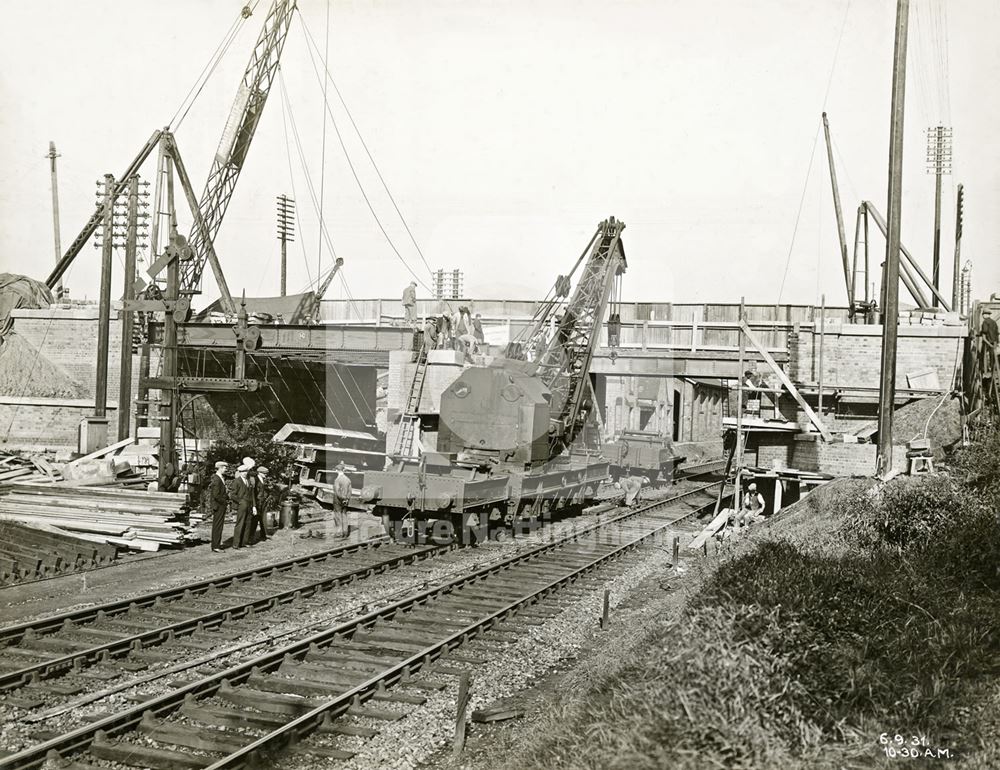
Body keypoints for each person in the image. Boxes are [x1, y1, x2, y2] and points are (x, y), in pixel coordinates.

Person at [230, 460, 255, 549]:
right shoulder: (237, 481)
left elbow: (252, 495)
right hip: (241, 505)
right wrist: (240, 501)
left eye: (246, 471)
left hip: (249, 505)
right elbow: (232, 495)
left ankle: (245, 542)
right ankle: (236, 544)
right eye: (243, 472)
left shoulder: (248, 481)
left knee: (248, 523)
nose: (245, 473)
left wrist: (254, 506)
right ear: (239, 472)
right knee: (240, 523)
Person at [245, 466, 270, 544]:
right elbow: (254, 493)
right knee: (254, 521)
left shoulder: (263, 480)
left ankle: (263, 535)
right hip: (257, 503)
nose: (266, 475)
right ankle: (250, 537)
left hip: (262, 502)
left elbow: (263, 491)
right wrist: (254, 505)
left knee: (263, 520)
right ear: (260, 473)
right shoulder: (255, 480)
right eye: (264, 473)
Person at [208, 461, 229, 553]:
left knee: (218, 525)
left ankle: (216, 544)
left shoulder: (220, 478)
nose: (226, 469)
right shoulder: (217, 479)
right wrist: (225, 501)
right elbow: (216, 495)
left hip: (220, 505)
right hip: (219, 506)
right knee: (217, 526)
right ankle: (216, 546)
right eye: (224, 468)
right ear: (220, 468)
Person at [332, 462, 352, 538]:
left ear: (337, 470)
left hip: (338, 500)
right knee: (344, 515)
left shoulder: (337, 480)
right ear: (343, 470)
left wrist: (342, 498)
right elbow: (350, 491)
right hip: (346, 500)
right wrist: (346, 499)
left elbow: (337, 492)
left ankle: (339, 533)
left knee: (338, 516)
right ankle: (345, 532)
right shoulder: (348, 479)